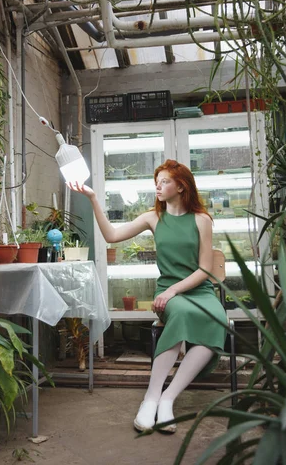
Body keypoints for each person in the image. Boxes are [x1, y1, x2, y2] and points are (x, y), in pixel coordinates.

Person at [68, 159, 227, 434]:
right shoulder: (153, 218)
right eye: (157, 181)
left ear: (181, 186)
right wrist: (93, 198)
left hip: (196, 290)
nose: (158, 186)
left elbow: (205, 269)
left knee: (217, 318)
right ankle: (150, 398)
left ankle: (168, 398)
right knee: (181, 313)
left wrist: (174, 290)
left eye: (165, 181)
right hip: (168, 292)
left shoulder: (202, 220)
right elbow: (111, 235)